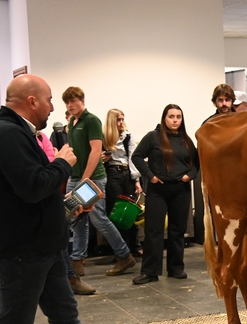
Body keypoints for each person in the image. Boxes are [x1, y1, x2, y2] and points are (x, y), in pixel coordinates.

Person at [0, 74, 140, 324]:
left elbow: (32, 189)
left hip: (40, 246)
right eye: (49, 100)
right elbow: (33, 186)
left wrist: (67, 204)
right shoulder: (7, 134)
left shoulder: (16, 132)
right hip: (22, 249)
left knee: (65, 315)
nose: (53, 107)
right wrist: (64, 162)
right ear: (31, 100)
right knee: (14, 323)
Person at [62, 87, 136, 277]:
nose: (70, 105)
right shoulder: (71, 123)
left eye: (73, 101)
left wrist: (85, 179)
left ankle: (124, 255)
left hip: (92, 178)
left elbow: (96, 151)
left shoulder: (92, 120)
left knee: (98, 218)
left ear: (82, 100)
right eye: (67, 102)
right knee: (77, 219)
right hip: (76, 177)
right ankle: (77, 261)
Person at [202, 84, 247, 277]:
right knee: (225, 228)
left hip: (245, 181)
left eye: (227, 100)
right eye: (220, 100)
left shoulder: (243, 121)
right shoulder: (209, 125)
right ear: (215, 102)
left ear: (232, 101)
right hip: (221, 183)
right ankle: (228, 263)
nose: (224, 104)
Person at [131, 104, 198, 284]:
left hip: (180, 190)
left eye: (178, 117)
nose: (175, 120)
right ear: (164, 118)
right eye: (171, 116)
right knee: (154, 231)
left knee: (177, 230)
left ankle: (176, 268)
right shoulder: (153, 137)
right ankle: (150, 272)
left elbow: (196, 164)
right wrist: (150, 176)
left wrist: (189, 176)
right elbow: (136, 156)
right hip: (157, 190)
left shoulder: (186, 140)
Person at [102, 108, 143, 257]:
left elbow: (133, 158)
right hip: (113, 173)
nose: (121, 122)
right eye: (118, 120)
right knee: (117, 212)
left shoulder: (128, 137)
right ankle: (121, 250)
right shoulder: (104, 137)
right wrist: (103, 158)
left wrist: (137, 180)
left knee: (130, 211)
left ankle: (135, 246)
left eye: (122, 119)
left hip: (127, 173)